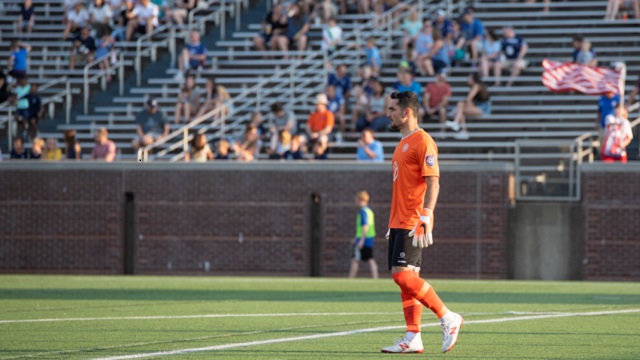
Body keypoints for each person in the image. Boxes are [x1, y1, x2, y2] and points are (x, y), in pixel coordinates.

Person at [381, 90, 463, 354]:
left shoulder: (423, 141)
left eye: (392, 109)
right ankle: (413, 336)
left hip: (413, 218)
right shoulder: (402, 143)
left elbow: (433, 181)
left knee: (402, 276)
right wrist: (392, 222)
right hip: (399, 220)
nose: (388, 113)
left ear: (407, 112)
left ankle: (448, 317)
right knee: (406, 278)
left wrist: (426, 216)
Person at [447, 73, 491, 139]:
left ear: (474, 79)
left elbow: (468, 99)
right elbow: (470, 101)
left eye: (470, 78)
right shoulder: (474, 87)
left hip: (483, 108)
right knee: (461, 108)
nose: (468, 79)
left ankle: (456, 121)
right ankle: (461, 129)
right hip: (478, 106)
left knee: (460, 105)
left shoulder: (476, 86)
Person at [349, 190, 380, 279]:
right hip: (369, 238)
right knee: (369, 258)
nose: (355, 200)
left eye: (357, 199)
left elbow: (365, 226)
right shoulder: (369, 211)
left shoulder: (363, 212)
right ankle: (375, 278)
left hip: (364, 239)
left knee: (355, 259)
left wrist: (361, 240)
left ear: (361, 200)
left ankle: (350, 279)